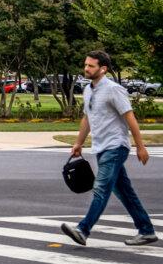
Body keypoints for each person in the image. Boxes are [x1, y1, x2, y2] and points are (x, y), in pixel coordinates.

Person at [61, 51, 156, 246]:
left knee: (101, 188)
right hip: (101, 147)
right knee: (124, 191)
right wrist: (78, 143)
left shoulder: (113, 89)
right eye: (85, 65)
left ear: (103, 69)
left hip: (115, 146)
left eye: (91, 66)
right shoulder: (88, 90)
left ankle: (83, 229)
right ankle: (146, 230)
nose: (86, 68)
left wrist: (140, 146)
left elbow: (130, 117)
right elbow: (87, 118)